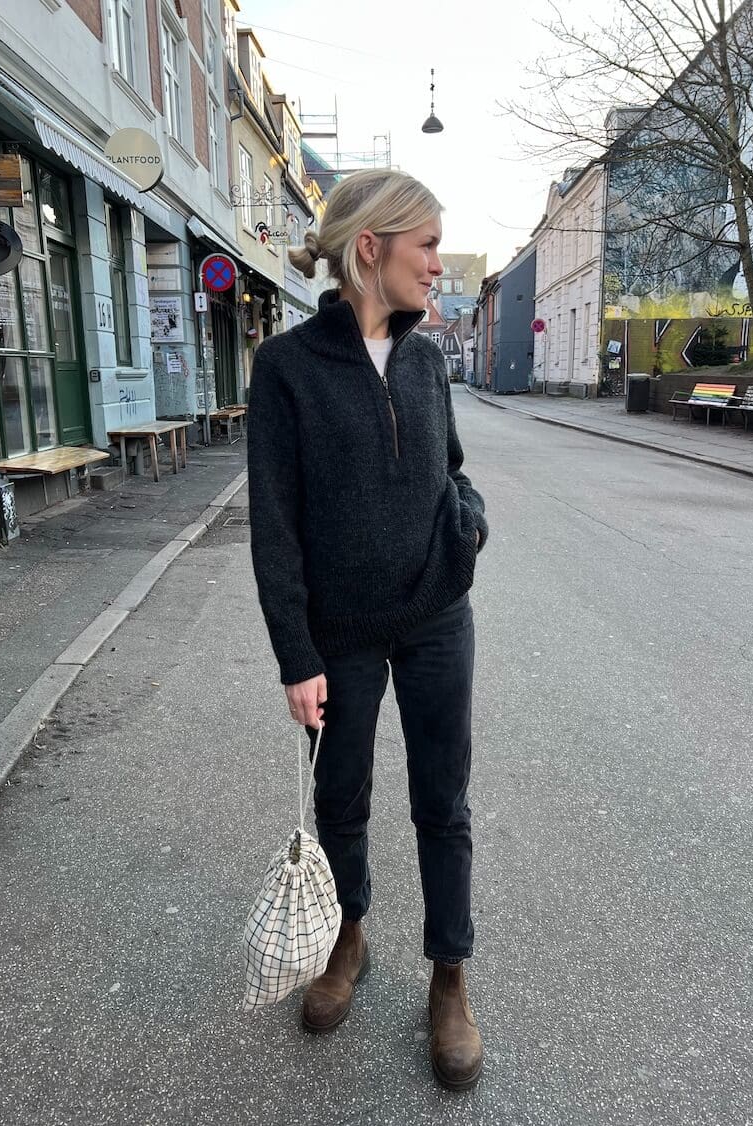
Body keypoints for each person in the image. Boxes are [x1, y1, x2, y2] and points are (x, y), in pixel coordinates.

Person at [247, 169, 488, 1091]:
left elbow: (452, 467)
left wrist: (467, 523)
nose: (436, 264)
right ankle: (349, 935)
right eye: (425, 245)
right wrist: (295, 654)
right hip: (340, 631)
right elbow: (275, 524)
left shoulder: (428, 361)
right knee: (341, 798)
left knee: (443, 802)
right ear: (369, 248)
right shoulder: (286, 368)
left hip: (436, 616)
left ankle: (450, 975)